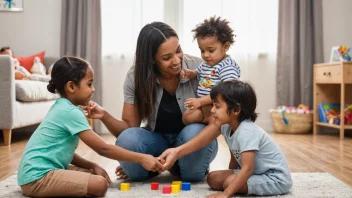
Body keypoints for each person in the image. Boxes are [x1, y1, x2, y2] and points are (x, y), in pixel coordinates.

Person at [85, 22, 218, 182]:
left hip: (191, 141)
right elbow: (128, 129)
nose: (176, 61)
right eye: (167, 58)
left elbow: (219, 121)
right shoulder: (136, 76)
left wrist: (179, 152)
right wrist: (104, 115)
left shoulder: (200, 68)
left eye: (178, 51)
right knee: (128, 141)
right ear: (152, 60)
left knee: (192, 168)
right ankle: (161, 166)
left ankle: (181, 166)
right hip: (157, 140)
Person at [17, 57, 163, 197]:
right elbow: (103, 148)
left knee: (96, 174)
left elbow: (61, 152)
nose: (93, 89)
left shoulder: (62, 107)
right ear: (71, 86)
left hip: (38, 172)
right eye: (89, 84)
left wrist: (92, 165)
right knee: (99, 185)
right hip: (37, 178)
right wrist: (142, 158)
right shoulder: (71, 112)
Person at [159, 80, 293, 197]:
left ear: (236, 110)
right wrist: (176, 151)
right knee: (213, 178)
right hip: (256, 173)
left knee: (229, 183)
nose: (212, 111)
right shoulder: (227, 126)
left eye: (217, 106)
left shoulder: (247, 131)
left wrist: (226, 193)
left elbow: (247, 169)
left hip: (275, 178)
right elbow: (230, 155)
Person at [181, 16, 240, 125]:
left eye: (211, 50)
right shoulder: (206, 64)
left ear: (225, 47)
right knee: (187, 117)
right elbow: (199, 74)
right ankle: (208, 121)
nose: (206, 55)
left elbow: (228, 91)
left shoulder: (227, 66)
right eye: (202, 50)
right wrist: (191, 74)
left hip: (217, 105)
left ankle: (212, 121)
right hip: (204, 105)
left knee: (192, 116)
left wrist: (201, 101)